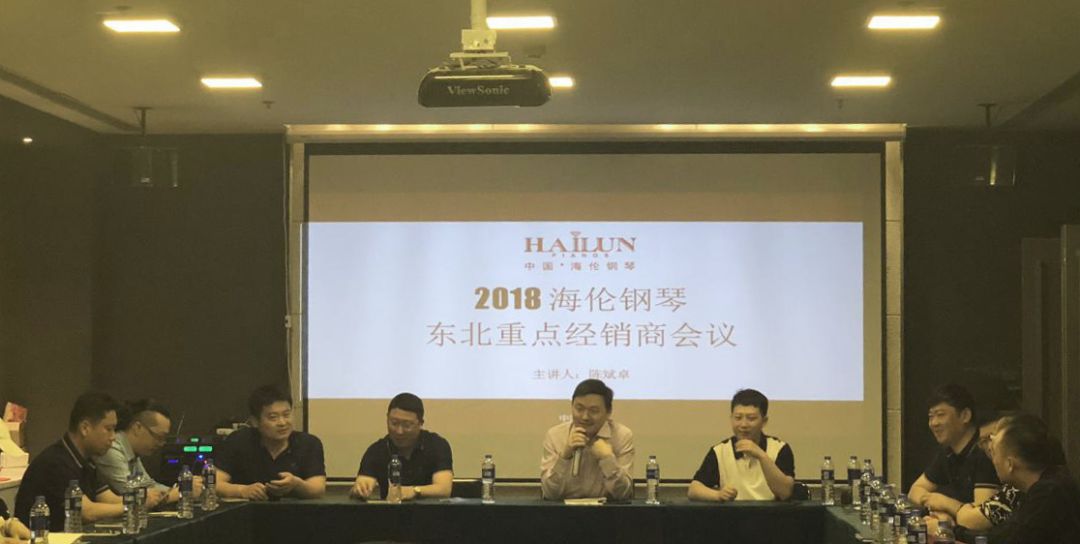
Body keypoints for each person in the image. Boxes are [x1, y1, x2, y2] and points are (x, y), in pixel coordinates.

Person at [952, 413, 1080, 544]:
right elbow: (1002, 534)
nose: (992, 461)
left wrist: (952, 532)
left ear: (1010, 464)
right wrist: (955, 532)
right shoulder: (1040, 486)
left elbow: (1006, 540)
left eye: (994, 453)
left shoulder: (1049, 492)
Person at [14, 392, 125, 530]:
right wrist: (129, 507)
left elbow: (109, 499)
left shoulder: (87, 460)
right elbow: (86, 512)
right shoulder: (55, 462)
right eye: (108, 429)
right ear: (85, 428)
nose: (113, 437)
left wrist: (140, 501)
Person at [216, 385, 326, 500]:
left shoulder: (308, 443)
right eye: (273, 417)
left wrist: (296, 484)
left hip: (295, 509)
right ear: (255, 421)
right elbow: (214, 483)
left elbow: (318, 489)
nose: (282, 423)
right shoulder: (238, 441)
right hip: (248, 509)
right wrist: (241, 490)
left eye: (286, 415)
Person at [688, 388, 796, 502]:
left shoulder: (780, 449)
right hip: (733, 512)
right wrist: (717, 495)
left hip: (771, 512)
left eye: (751, 418)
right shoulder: (720, 451)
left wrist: (761, 456)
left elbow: (785, 492)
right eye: (738, 418)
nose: (743, 424)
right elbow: (694, 489)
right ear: (731, 418)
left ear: (764, 421)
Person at [908, 384, 1000, 513]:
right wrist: (935, 504)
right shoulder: (948, 452)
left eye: (940, 415)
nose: (934, 423)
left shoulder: (985, 451)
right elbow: (915, 491)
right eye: (931, 416)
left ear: (965, 415)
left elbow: (981, 516)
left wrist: (945, 504)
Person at [94, 399, 199, 508]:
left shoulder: (132, 451)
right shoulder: (111, 448)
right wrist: (181, 492)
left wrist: (181, 490)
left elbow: (149, 486)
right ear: (137, 428)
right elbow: (132, 493)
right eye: (159, 437)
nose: (161, 444)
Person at [540, 379, 634, 500]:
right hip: (564, 509)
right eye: (579, 409)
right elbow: (549, 494)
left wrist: (607, 459)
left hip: (607, 509)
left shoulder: (622, 436)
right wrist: (564, 456)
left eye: (593, 411)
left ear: (608, 412)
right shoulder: (555, 435)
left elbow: (623, 494)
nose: (585, 417)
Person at [351, 393, 453, 500]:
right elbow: (364, 481)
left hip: (431, 509)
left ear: (421, 423)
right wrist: (360, 489)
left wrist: (414, 491)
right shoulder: (377, 450)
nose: (399, 431)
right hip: (390, 509)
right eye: (394, 423)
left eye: (407, 425)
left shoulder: (437, 445)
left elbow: (444, 489)